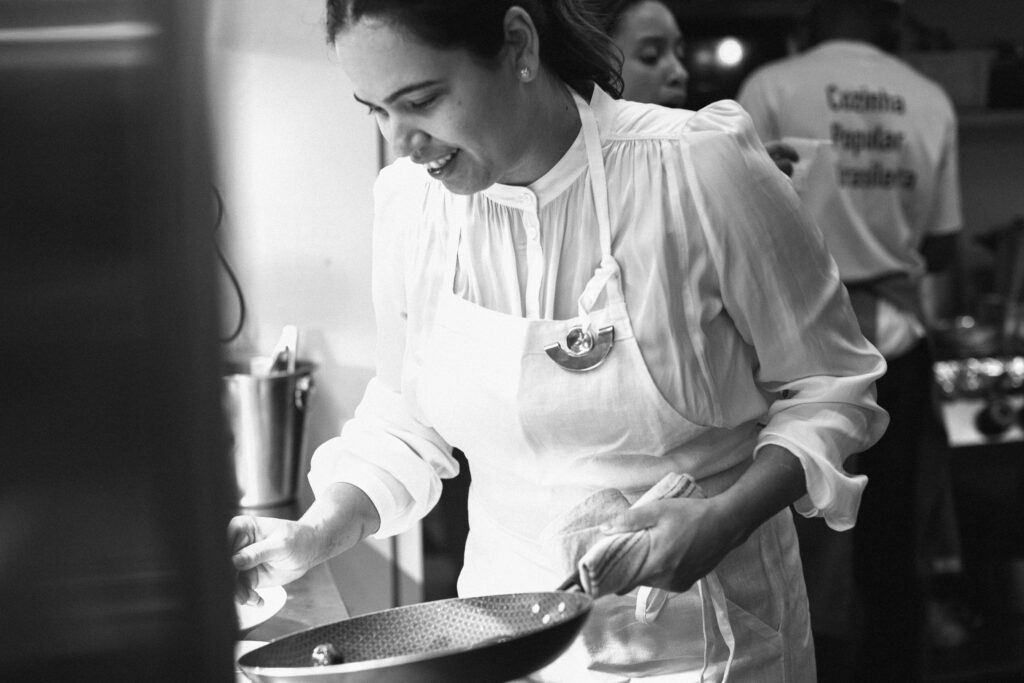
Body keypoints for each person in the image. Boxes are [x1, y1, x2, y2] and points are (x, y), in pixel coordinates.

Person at [230, 1, 889, 680]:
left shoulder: (695, 168)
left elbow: (829, 387)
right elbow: (406, 417)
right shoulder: (409, 205)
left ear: (518, 44)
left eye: (421, 100)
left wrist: (723, 519)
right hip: (504, 646)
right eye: (375, 109)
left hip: (707, 650)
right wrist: (315, 532)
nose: (403, 140)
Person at [737, 1, 962, 680]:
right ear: (890, 20)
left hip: (797, 353)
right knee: (892, 540)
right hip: (896, 343)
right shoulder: (929, 99)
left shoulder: (770, 88)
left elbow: (737, 226)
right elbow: (946, 245)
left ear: (812, 18)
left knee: (798, 537)